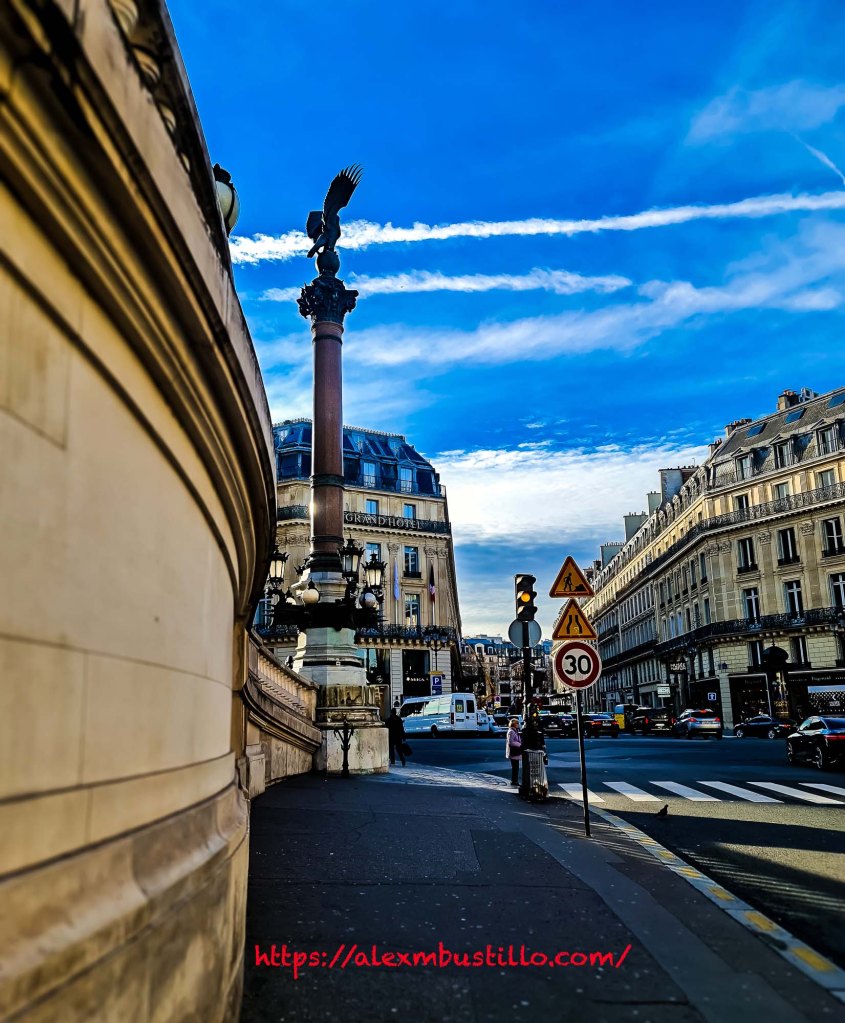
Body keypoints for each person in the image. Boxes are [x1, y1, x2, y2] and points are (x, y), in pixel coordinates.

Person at [505, 717, 523, 786]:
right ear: (514, 724)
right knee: (515, 768)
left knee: (516, 767)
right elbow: (511, 742)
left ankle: (515, 781)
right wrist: (520, 745)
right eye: (517, 723)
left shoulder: (515, 731)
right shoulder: (511, 732)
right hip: (514, 751)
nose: (518, 725)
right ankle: (514, 781)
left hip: (516, 751)